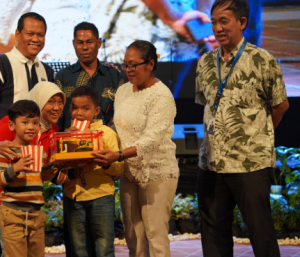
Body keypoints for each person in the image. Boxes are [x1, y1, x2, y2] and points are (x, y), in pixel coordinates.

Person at [194, 0, 289, 256]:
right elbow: (206, 105)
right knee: (213, 234)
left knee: (261, 234)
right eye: (214, 22)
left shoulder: (262, 60)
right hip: (211, 163)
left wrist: (255, 134)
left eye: (223, 21)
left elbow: (280, 105)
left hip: (250, 163)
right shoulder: (204, 63)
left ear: (242, 22)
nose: (217, 28)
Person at [0, 13, 54, 255]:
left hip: (27, 177)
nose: (36, 39)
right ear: (17, 34)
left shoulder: (46, 70)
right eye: (30, 33)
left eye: (41, 35)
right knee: (14, 245)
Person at [92, 40, 178, 257]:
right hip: (129, 172)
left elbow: (151, 141)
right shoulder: (122, 91)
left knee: (155, 235)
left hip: (156, 172)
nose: (128, 70)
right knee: (133, 236)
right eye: (125, 65)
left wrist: (118, 155)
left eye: (133, 65)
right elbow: (116, 128)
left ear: (150, 64)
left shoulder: (162, 95)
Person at [0, 81, 66, 257]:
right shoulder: (11, 128)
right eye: (50, 101)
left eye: (60, 102)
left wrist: (63, 164)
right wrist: (12, 165)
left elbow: (46, 173)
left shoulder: (51, 133)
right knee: (12, 248)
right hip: (1, 200)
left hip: (32, 210)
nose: (56, 107)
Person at [61, 86, 124, 257]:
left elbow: (119, 168)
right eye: (74, 108)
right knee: (79, 248)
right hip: (73, 195)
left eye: (85, 108)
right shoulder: (67, 135)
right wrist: (65, 142)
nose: (79, 113)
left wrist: (102, 164)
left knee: (103, 247)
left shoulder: (106, 134)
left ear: (96, 110)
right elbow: (60, 166)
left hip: (101, 195)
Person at [55, 22, 126, 131]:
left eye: (89, 42)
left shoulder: (114, 76)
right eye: (80, 43)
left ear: (98, 43)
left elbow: (124, 116)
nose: (85, 47)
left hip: (108, 144)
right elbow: (56, 120)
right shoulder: (62, 77)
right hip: (71, 143)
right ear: (74, 44)